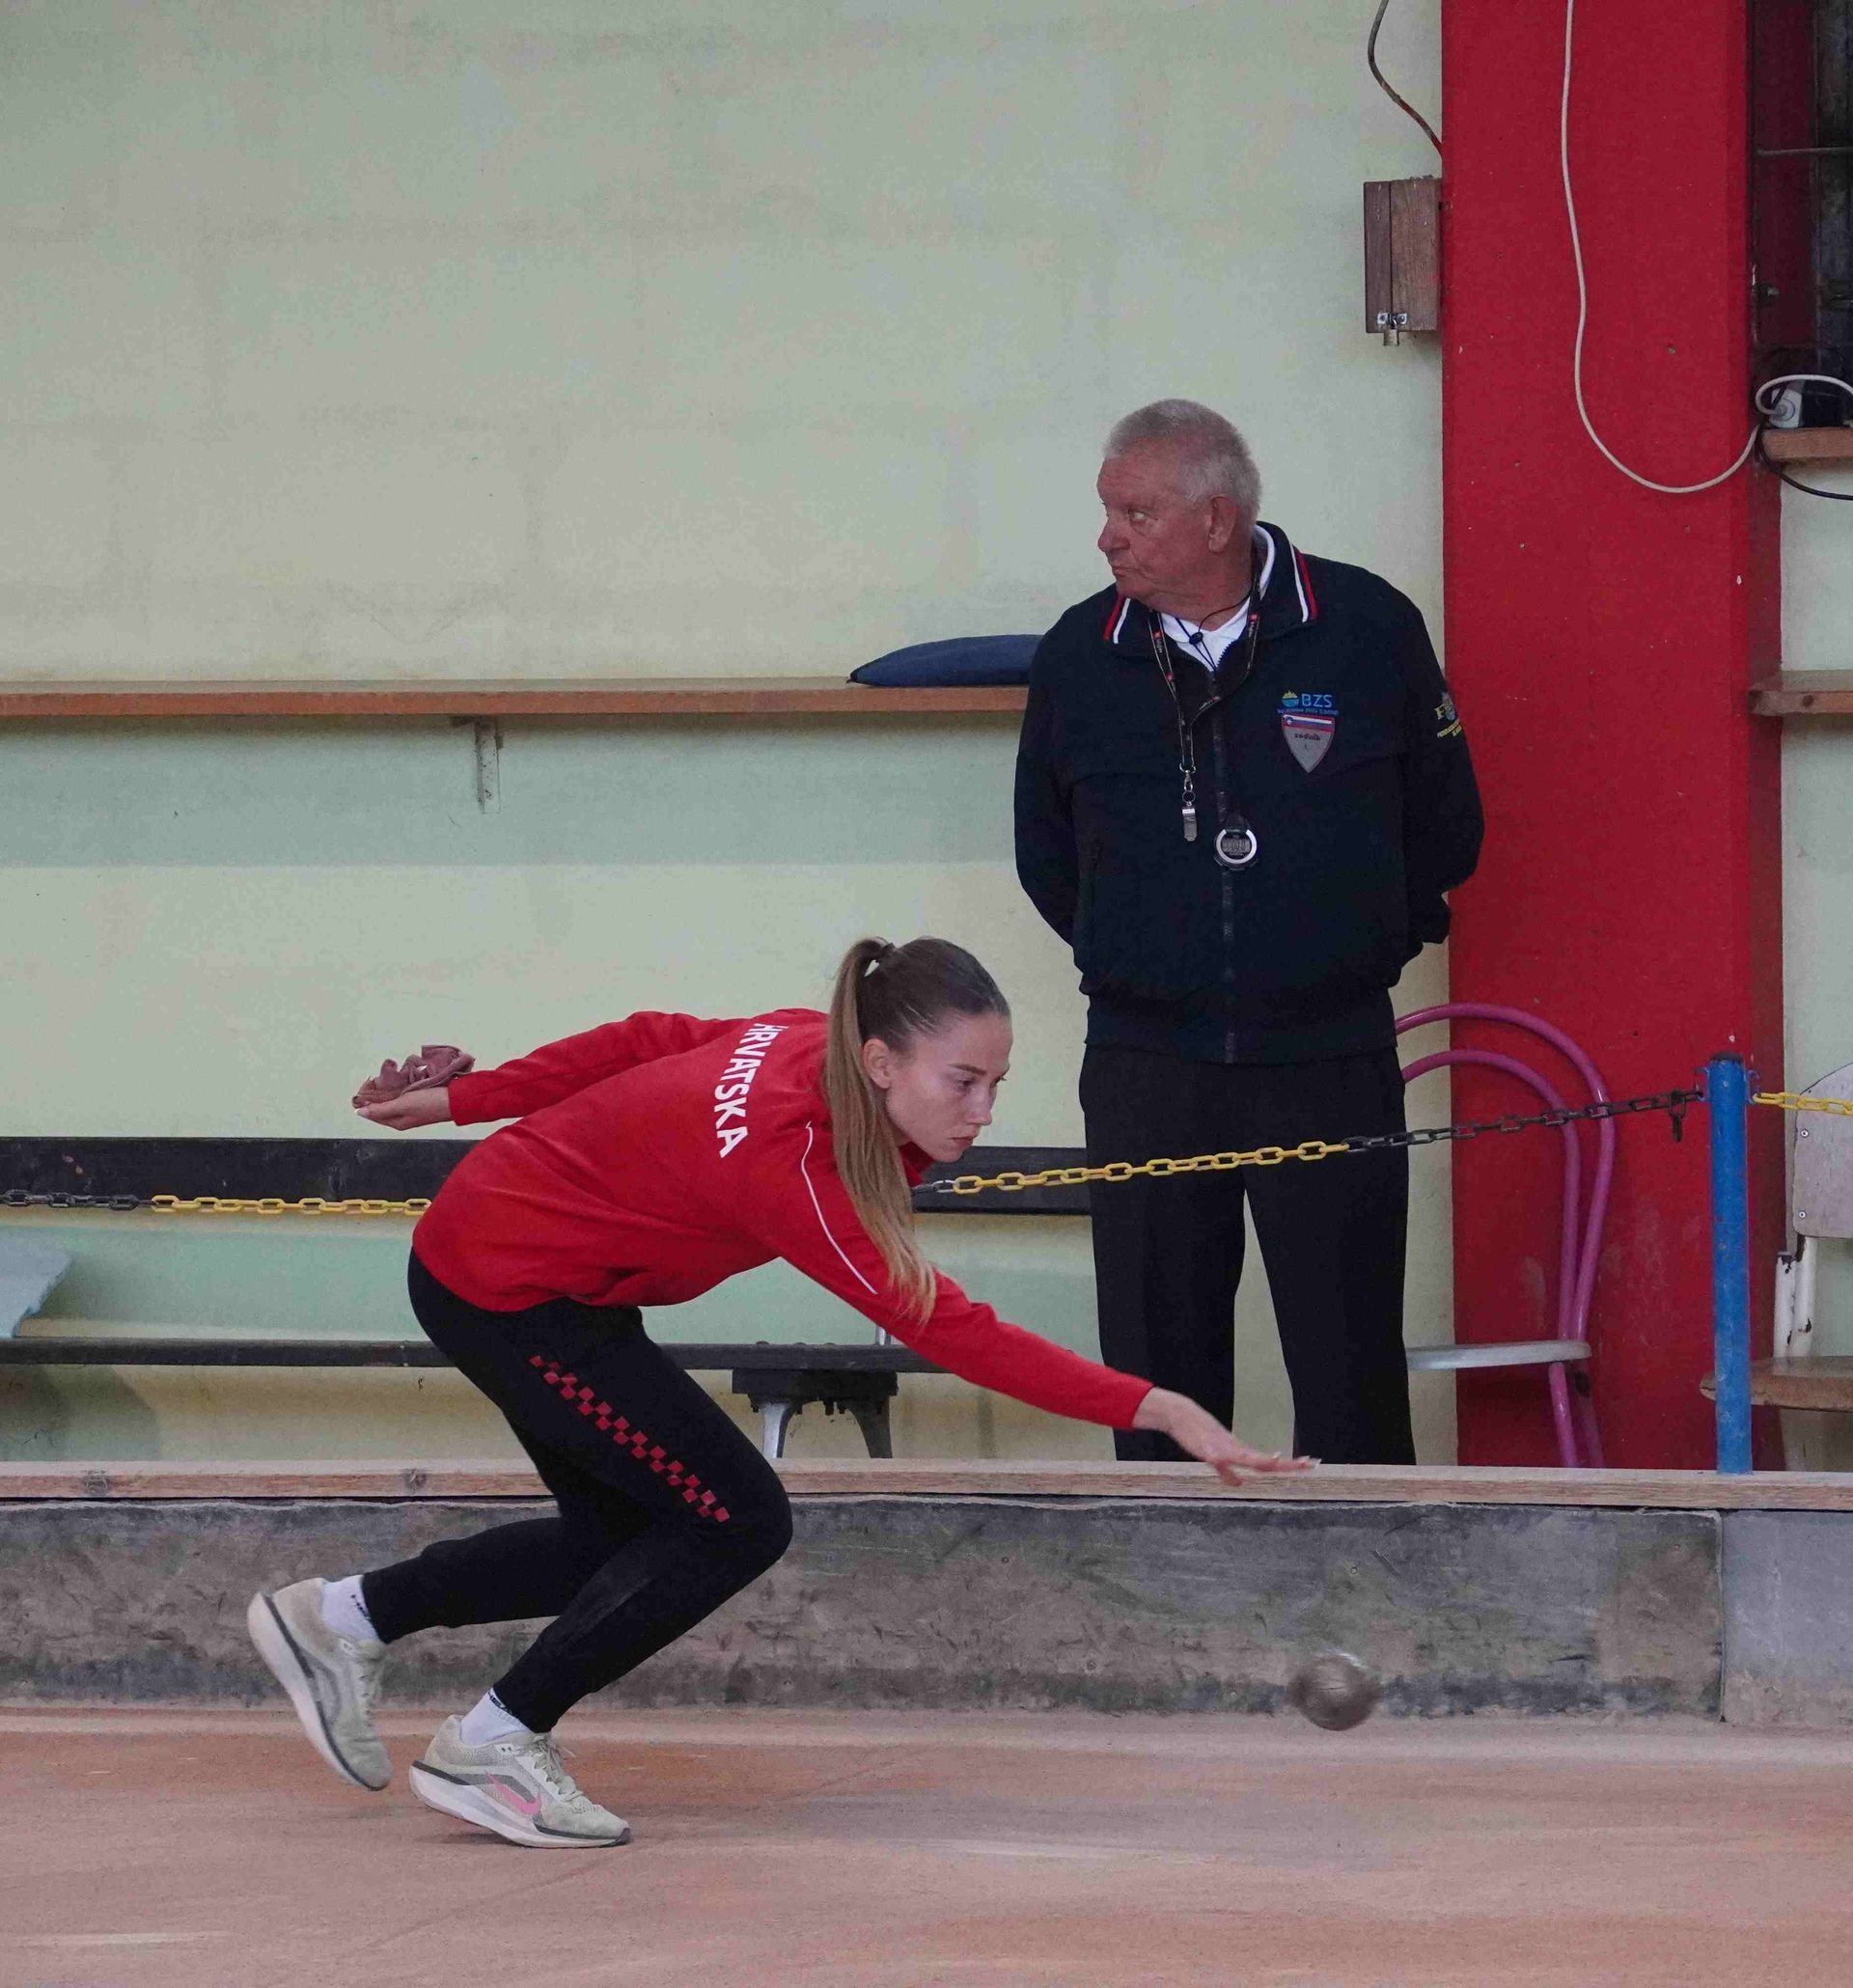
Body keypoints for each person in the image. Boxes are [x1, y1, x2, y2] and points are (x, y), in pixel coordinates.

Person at [247, 936, 1309, 1849]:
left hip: (528, 1264)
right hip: (509, 1287)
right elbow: (953, 1328)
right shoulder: (795, 1165)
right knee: (737, 1518)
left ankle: (342, 1616)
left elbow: (649, 1038)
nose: (984, 1109)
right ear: (881, 1061)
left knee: (623, 1537)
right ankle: (494, 1741)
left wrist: (466, 1098)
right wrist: (1159, 1406)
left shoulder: (806, 1041)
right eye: (962, 1081)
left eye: (996, 1081)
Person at [1014, 400, 1483, 1469]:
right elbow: (1046, 852)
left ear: (1216, 519)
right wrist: (1142, 955)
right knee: (1155, 1367)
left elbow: (1445, 824)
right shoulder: (1080, 654)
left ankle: (1368, 1566)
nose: (1107, 538)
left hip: (1328, 1055)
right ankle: (1170, 1567)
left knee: (1349, 1360)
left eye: (1135, 514)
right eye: (1108, 512)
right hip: (1146, 1063)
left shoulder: (1366, 626)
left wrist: (1355, 949)